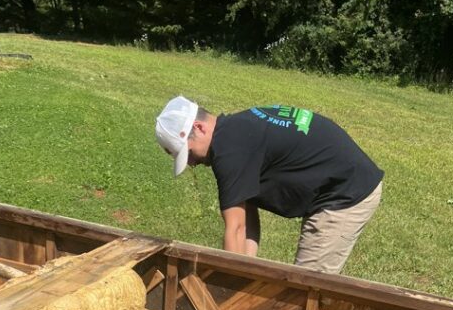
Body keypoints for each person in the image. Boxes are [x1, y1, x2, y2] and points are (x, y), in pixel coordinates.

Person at [155, 96, 383, 274]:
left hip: (346, 192)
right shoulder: (236, 132)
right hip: (339, 181)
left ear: (200, 127)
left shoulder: (229, 150)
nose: (192, 163)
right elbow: (246, 220)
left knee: (306, 288)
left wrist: (227, 284)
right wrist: (246, 269)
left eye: (190, 153)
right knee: (301, 288)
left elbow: (235, 229)